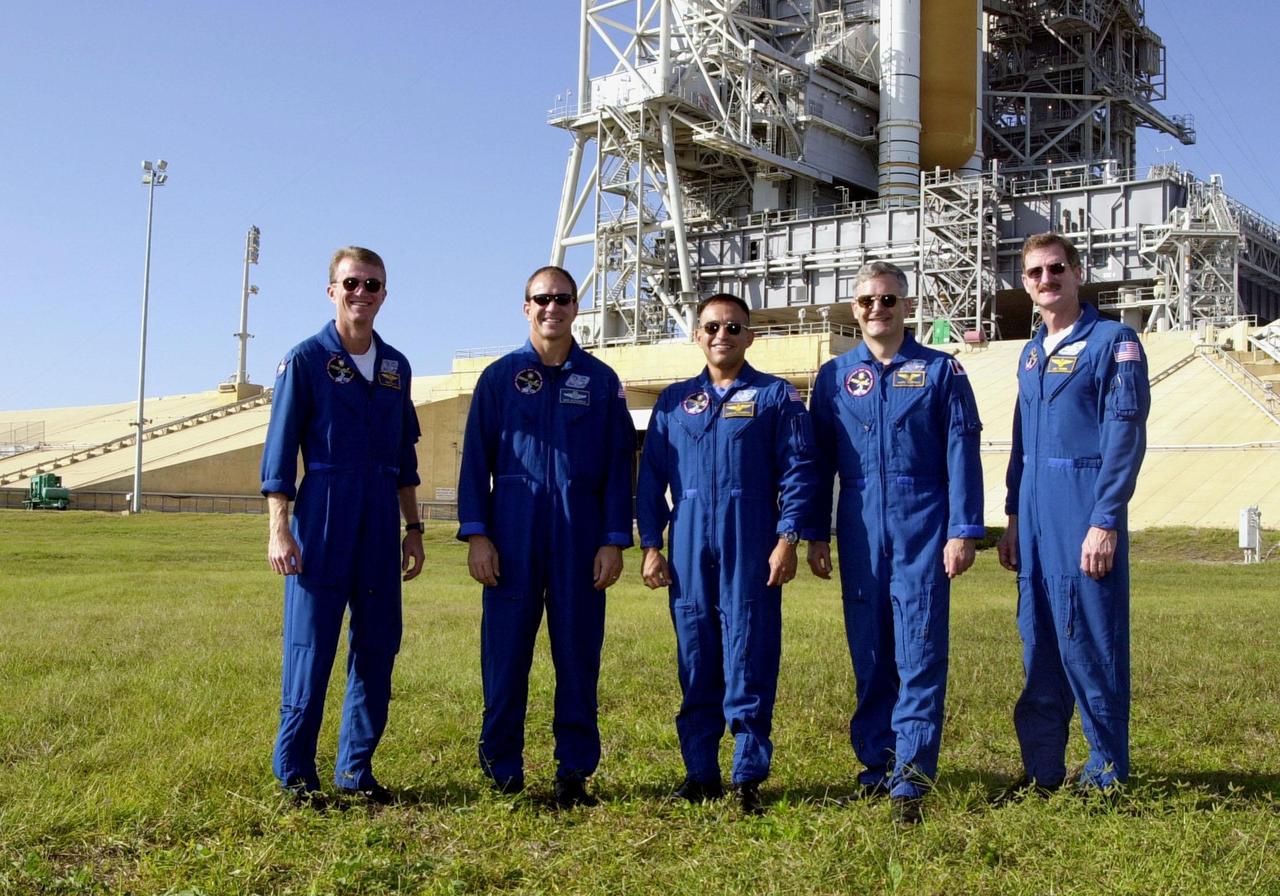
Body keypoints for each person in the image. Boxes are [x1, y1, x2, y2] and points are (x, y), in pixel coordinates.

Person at [807, 261, 985, 824]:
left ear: (907, 306)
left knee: (920, 650)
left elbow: (962, 453)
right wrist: (816, 532)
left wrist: (963, 530)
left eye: (888, 300)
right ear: (853, 310)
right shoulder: (834, 377)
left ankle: (910, 778)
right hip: (859, 527)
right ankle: (875, 767)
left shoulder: (941, 372)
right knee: (871, 652)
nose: (876, 309)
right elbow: (818, 464)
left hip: (922, 525)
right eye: (865, 301)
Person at [456, 265, 635, 808]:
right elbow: (474, 464)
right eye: (541, 299)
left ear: (576, 306)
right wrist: (478, 535)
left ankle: (573, 772)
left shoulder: (602, 382)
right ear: (525, 306)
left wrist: (612, 538)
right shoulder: (499, 378)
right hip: (512, 536)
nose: (551, 307)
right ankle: (502, 769)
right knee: (505, 655)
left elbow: (618, 465)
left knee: (578, 656)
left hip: (580, 540)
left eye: (562, 298)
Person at [636, 293, 816, 815]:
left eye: (734, 328)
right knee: (695, 652)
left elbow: (799, 473)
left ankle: (747, 775)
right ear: (698, 334)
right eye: (712, 326)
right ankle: (699, 772)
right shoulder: (674, 402)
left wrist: (787, 539)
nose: (722, 336)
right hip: (689, 538)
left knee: (750, 650)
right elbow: (650, 482)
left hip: (751, 534)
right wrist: (651, 546)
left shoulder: (775, 397)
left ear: (749, 336)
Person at [261, 246, 424, 804]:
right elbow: (280, 453)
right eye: (351, 283)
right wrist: (279, 527)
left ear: (384, 294)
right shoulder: (304, 361)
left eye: (372, 285)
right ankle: (296, 774)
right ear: (332, 290)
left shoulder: (396, 367)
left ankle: (356, 769)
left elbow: (406, 456)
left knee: (378, 646)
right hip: (323, 513)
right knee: (310, 648)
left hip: (380, 517)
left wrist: (414, 530)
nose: (362, 293)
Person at [996, 232, 1150, 794]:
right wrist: (1013, 517)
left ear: (1078, 272)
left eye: (1056, 268)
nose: (1045, 279)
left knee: (1090, 641)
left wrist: (1104, 520)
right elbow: (1021, 441)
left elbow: (1124, 435)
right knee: (1038, 641)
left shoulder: (1114, 342)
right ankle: (1042, 771)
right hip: (1034, 517)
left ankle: (1107, 775)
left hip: (1082, 508)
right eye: (1034, 272)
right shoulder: (1032, 350)